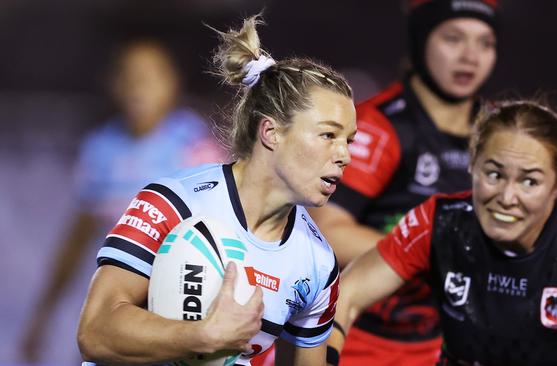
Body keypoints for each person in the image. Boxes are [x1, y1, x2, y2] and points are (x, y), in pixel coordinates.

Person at [76, 15, 356, 365]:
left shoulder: (318, 263)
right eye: (328, 135)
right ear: (271, 133)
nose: (344, 155)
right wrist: (204, 336)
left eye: (349, 140)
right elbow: (95, 331)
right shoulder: (173, 203)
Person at [328, 100, 557, 365]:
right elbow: (347, 296)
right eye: (494, 174)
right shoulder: (438, 223)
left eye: (530, 181)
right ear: (472, 166)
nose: (507, 198)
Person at [309, 0, 498, 364]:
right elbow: (327, 230)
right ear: (422, 40)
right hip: (368, 343)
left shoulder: (499, 131)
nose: (471, 56)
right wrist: (436, 253)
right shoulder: (378, 127)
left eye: (485, 43)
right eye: (453, 38)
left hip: (458, 343)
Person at [19, 38, 224, 363]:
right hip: (115, 310)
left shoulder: (194, 143)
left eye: (149, 76)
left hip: (179, 311)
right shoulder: (100, 149)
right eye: (128, 77)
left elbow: (226, 232)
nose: (137, 87)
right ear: (113, 85)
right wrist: (42, 315)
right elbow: (76, 241)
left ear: (172, 82)